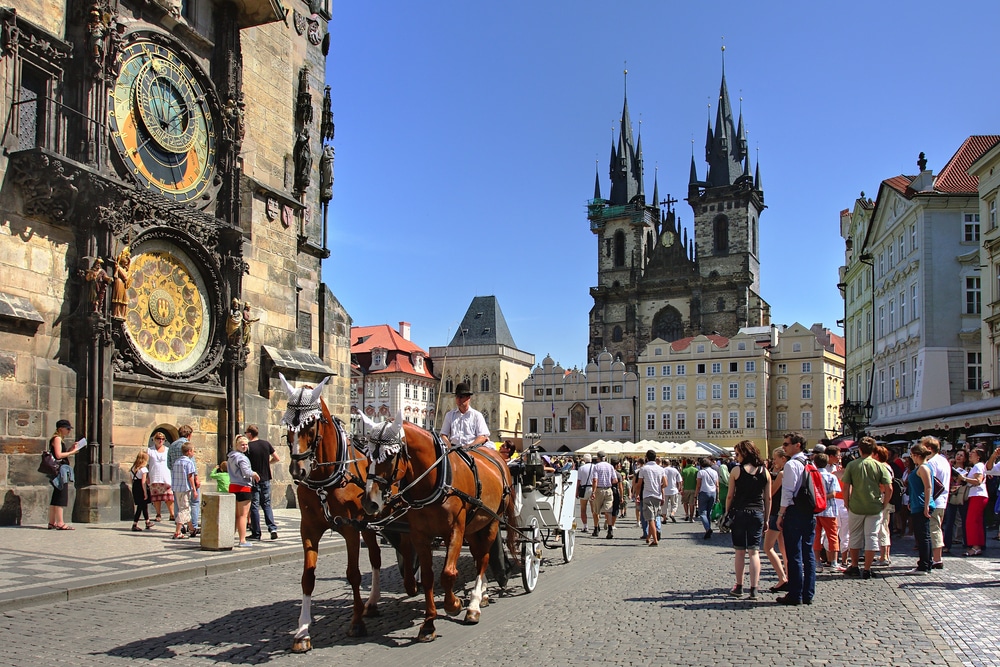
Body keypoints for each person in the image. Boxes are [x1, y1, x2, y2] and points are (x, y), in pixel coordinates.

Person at [725, 439, 771, 599]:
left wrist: (726, 512)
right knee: (754, 551)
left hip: (739, 512)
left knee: (739, 551)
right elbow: (768, 498)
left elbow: (730, 495)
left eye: (737, 453)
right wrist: (766, 519)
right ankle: (754, 588)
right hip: (757, 512)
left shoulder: (736, 471)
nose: (736, 457)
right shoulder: (764, 471)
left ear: (744, 453)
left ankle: (739, 586)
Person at [841, 436, 892, 579]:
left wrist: (846, 502)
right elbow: (889, 488)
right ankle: (867, 569)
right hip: (874, 506)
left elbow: (846, 487)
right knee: (872, 536)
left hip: (856, 505)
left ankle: (855, 565)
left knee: (855, 536)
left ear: (859, 450)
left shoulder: (852, 465)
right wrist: (885, 503)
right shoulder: (880, 466)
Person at [776, 432, 815, 606]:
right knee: (809, 553)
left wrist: (781, 514)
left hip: (795, 511)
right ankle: (808, 593)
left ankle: (795, 594)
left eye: (786, 444)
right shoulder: (808, 461)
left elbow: (788, 492)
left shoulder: (792, 465)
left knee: (794, 554)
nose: (784, 447)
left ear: (797, 445)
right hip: (809, 511)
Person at [47, 419, 83, 530]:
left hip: (58, 470)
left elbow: (60, 453)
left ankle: (52, 522)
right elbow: (58, 455)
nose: (69, 431)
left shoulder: (58, 439)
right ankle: (60, 522)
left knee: (56, 496)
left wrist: (70, 449)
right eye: (67, 429)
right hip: (60, 471)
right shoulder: (57, 438)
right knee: (61, 495)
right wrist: (72, 452)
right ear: (60, 428)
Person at [246, 424, 280, 540]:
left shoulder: (249, 447)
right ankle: (272, 528)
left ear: (250, 434)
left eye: (246, 433)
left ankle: (256, 533)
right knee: (266, 504)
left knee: (254, 506)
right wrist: (268, 463)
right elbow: (277, 458)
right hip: (266, 478)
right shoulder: (266, 444)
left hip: (254, 479)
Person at [922, 436, 951, 569]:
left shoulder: (932, 462)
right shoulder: (944, 461)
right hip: (942, 499)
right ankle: (936, 557)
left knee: (934, 529)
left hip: (934, 499)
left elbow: (929, 483)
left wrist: (927, 501)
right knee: (936, 527)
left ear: (929, 448)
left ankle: (937, 559)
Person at [906, 442, 935, 574]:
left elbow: (928, 487)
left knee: (923, 536)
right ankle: (925, 562)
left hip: (922, 504)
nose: (911, 458)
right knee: (922, 535)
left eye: (912, 455)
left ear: (917, 455)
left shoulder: (923, 468)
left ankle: (924, 564)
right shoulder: (921, 467)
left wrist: (926, 505)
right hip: (917, 503)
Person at [764, 447, 789, 592]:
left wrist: (769, 476)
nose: (774, 461)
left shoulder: (781, 474)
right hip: (786, 512)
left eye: (775, 458)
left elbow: (771, 492)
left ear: (783, 459)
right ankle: (788, 576)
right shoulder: (790, 472)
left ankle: (782, 577)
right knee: (784, 548)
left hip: (776, 512)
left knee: (768, 547)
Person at [228, 435, 259, 547]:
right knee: (243, 515)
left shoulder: (231, 456)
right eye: (242, 444)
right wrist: (254, 474)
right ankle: (242, 540)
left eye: (246, 444)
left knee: (236, 515)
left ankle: (229, 537)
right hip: (243, 487)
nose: (245, 446)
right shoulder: (242, 458)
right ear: (237, 445)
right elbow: (246, 472)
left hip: (233, 486)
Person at [812, 453, 840, 572]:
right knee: (832, 536)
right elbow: (834, 493)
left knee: (816, 537)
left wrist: (817, 499)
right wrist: (823, 498)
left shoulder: (812, 476)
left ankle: (817, 562)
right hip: (829, 510)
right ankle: (833, 562)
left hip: (815, 510)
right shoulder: (831, 476)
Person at [957, 448, 988, 556]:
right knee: (976, 522)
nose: (970, 454)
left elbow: (978, 481)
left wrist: (964, 479)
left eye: (973, 453)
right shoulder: (978, 466)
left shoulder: (978, 466)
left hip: (977, 495)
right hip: (977, 495)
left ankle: (975, 546)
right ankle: (978, 545)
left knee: (972, 522)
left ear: (978, 456)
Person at [440, 383, 489, 448]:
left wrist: (469, 446)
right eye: (457, 397)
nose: (458, 399)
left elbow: (482, 437)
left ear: (468, 398)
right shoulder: (449, 415)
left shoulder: (477, 415)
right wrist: (449, 446)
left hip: (472, 450)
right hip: (454, 450)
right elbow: (443, 435)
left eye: (461, 397)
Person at [635, 450, 667, 546]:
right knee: (654, 516)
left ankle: (655, 540)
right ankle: (649, 537)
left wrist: (637, 495)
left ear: (646, 458)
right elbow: (665, 483)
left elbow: (639, 484)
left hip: (647, 495)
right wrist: (659, 487)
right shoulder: (661, 469)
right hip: (657, 495)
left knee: (650, 519)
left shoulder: (644, 469)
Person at [168, 425, 197, 530]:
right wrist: (196, 479)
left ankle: (186, 527)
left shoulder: (172, 445)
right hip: (186, 484)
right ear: (189, 435)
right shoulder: (186, 445)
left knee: (178, 505)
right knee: (189, 505)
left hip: (176, 483)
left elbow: (169, 464)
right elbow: (192, 466)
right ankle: (187, 527)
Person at [942, 449, 969, 555]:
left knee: (964, 521)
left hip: (962, 497)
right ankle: (947, 545)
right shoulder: (949, 468)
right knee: (949, 522)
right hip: (951, 496)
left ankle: (967, 544)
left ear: (965, 458)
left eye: (961, 455)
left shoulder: (967, 469)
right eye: (958, 454)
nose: (959, 457)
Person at [170, 442, 199, 539]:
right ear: (189, 451)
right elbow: (190, 477)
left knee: (184, 507)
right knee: (184, 509)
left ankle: (191, 528)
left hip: (176, 488)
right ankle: (177, 531)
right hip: (184, 488)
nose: (193, 453)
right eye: (193, 451)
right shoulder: (189, 462)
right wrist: (194, 490)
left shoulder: (177, 462)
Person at [590, 451, 619, 538]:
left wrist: (593, 492)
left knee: (596, 511)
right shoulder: (610, 466)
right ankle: (610, 529)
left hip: (599, 490)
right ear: (605, 457)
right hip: (608, 490)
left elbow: (595, 480)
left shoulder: (596, 466)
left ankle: (596, 529)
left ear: (598, 458)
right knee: (608, 511)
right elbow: (615, 480)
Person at [147, 432, 173, 522]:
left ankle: (172, 514)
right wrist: (147, 476)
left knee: (169, 497)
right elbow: (146, 464)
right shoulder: (150, 450)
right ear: (154, 439)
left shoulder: (168, 450)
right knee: (156, 497)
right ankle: (158, 514)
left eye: (162, 439)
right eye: (158, 438)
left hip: (166, 476)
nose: (160, 440)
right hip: (154, 476)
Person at [695, 457, 719, 539]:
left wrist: (695, 495)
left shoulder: (701, 472)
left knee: (702, 513)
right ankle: (708, 528)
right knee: (709, 512)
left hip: (703, 493)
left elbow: (698, 485)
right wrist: (717, 495)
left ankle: (708, 528)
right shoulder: (714, 472)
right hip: (713, 493)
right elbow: (717, 485)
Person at [129, 451, 152, 532]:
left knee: (143, 505)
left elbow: (131, 480)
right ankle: (135, 524)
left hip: (135, 487)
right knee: (140, 507)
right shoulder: (143, 469)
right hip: (141, 488)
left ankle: (147, 521)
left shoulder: (133, 468)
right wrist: (145, 492)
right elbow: (143, 482)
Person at [576, 453, 596, 533]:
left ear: (584, 460)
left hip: (584, 488)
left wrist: (576, 491)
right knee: (594, 509)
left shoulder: (581, 468)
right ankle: (596, 525)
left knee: (583, 509)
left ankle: (585, 526)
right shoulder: (595, 467)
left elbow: (578, 481)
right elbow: (595, 480)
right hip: (592, 488)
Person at [661, 459, 683, 523]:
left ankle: (664, 518)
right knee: (674, 504)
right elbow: (679, 480)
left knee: (664, 505)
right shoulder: (674, 470)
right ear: (669, 463)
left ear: (663, 463)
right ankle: (672, 513)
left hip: (664, 490)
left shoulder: (662, 470)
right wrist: (680, 488)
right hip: (673, 490)